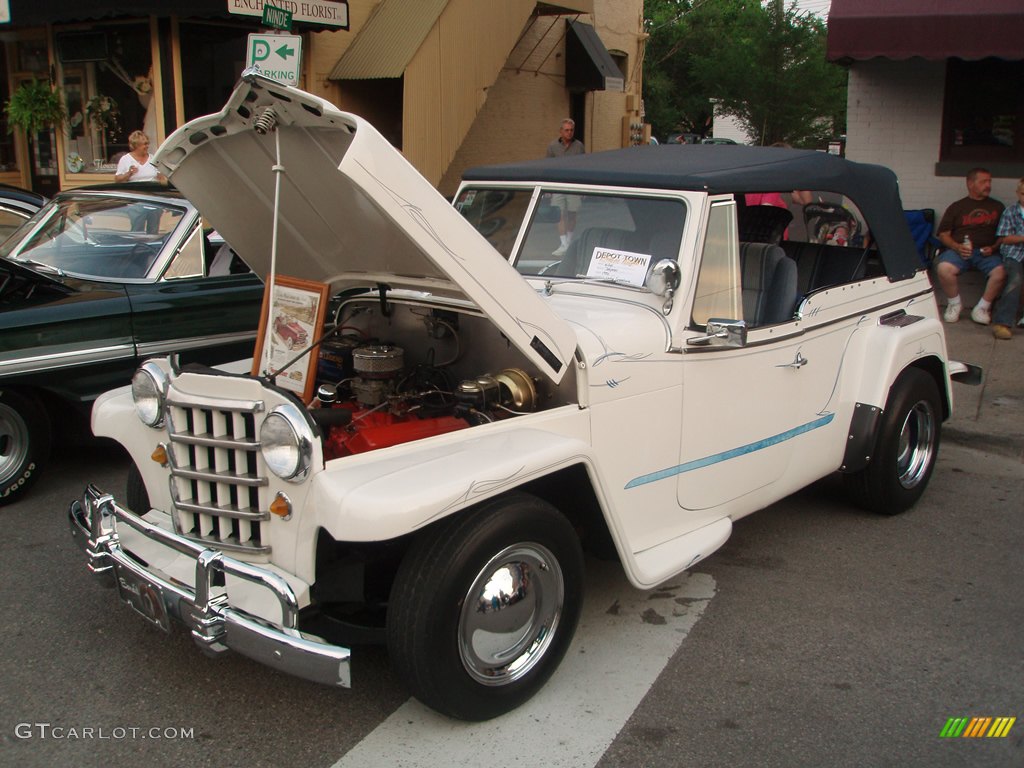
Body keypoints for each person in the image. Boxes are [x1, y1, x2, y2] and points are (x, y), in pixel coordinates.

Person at [934, 168, 1005, 324]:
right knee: (944, 268)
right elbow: (943, 234)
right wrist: (957, 247)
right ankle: (954, 304)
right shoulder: (957, 207)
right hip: (960, 251)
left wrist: (993, 247)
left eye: (989, 181)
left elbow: (1004, 235)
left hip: (987, 252)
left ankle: (982, 308)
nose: (988, 185)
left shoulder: (998, 207)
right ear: (970, 183)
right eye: (984, 182)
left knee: (1000, 273)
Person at [991, 178, 1024, 340]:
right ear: (1018, 193)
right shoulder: (1011, 212)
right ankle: (1002, 322)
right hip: (1014, 253)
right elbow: (1004, 238)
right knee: (1015, 279)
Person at [546, 118, 584, 257]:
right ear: (561, 131)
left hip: (573, 184)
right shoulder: (552, 147)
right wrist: (548, 187)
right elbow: (548, 167)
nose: (569, 133)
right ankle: (563, 244)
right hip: (558, 184)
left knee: (572, 213)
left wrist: (582, 188)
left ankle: (568, 240)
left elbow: (583, 167)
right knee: (559, 213)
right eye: (566, 130)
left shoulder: (579, 146)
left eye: (571, 130)